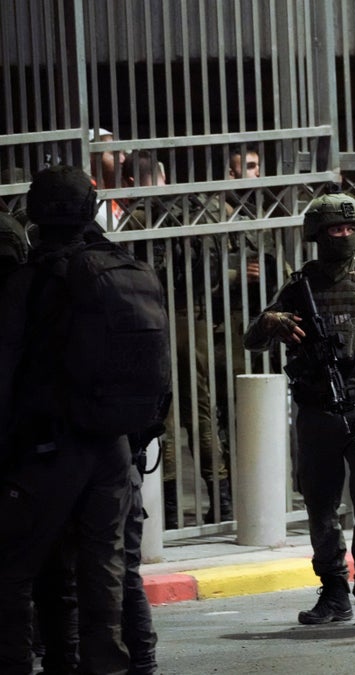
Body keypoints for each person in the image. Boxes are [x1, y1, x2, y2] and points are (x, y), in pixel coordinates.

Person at [244, 190, 355, 627]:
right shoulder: (298, 287)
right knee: (322, 509)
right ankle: (334, 593)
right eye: (333, 229)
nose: (343, 235)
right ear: (317, 235)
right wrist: (269, 322)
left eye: (349, 228)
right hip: (316, 412)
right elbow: (252, 339)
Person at [0, 165, 135, 673]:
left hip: (49, 446)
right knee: (103, 566)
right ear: (89, 209)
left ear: (34, 213)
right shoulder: (121, 267)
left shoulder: (27, 283)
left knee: (14, 567)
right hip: (114, 444)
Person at [123, 150, 233, 527]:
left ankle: (169, 512)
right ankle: (222, 505)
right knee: (202, 411)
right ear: (164, 175)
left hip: (153, 322)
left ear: (130, 183)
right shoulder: (199, 212)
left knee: (163, 417)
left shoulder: (136, 219)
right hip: (197, 321)